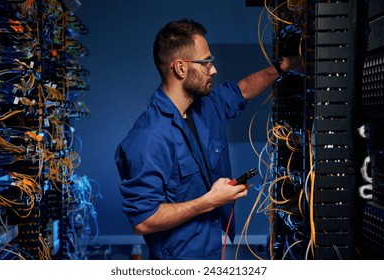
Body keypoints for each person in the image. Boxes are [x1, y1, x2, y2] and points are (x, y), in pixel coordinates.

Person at [115, 19, 301, 260]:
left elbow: (242, 89)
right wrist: (210, 201)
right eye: (206, 63)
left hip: (213, 250)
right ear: (180, 68)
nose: (213, 70)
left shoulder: (206, 107)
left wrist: (284, 66)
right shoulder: (149, 138)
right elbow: (143, 220)